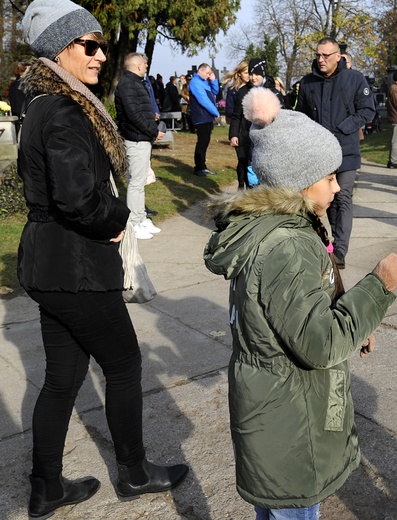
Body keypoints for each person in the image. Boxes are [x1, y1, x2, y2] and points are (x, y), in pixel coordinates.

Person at [204, 87, 397, 520]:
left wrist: (353, 321)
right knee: (293, 511)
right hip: (289, 422)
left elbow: (304, 312)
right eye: (330, 176)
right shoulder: (287, 246)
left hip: (276, 409)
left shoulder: (280, 226)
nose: (338, 186)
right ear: (300, 181)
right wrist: (378, 288)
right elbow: (319, 343)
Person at [18, 1, 189, 517]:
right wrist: (118, 218)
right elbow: (77, 199)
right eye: (88, 46)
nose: (99, 56)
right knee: (123, 363)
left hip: (51, 266)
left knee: (62, 378)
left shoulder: (47, 106)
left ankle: (46, 488)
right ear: (59, 49)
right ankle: (134, 472)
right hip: (75, 267)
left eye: (101, 46)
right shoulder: (65, 110)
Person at [297, 37, 376, 269]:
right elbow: (301, 115)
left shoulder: (355, 79)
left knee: (343, 197)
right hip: (319, 153)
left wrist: (342, 128)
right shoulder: (308, 82)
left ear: (338, 56)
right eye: (318, 55)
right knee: (325, 200)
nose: (320, 59)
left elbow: (367, 110)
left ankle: (340, 250)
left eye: (326, 55)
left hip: (346, 150)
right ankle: (329, 244)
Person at [115, 52, 165, 240]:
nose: (146, 67)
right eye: (145, 64)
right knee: (136, 183)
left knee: (140, 182)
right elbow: (134, 115)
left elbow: (141, 111)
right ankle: (134, 223)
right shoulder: (128, 84)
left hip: (142, 138)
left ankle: (141, 218)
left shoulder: (136, 83)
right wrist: (153, 131)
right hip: (136, 139)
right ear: (137, 66)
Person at [229, 58, 284, 190]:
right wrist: (233, 134)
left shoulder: (273, 92)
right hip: (247, 136)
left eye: (256, 74)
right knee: (248, 167)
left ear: (263, 74)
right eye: (250, 74)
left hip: (268, 138)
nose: (252, 78)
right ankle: (247, 192)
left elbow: (282, 115)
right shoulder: (243, 91)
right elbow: (236, 116)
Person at [189, 63, 220, 176]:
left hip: (206, 116)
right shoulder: (195, 82)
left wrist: (213, 80)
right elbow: (203, 100)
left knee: (205, 142)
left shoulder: (204, 81)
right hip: (201, 116)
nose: (208, 75)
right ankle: (198, 167)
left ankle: (203, 165)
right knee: (201, 142)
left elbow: (215, 92)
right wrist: (216, 112)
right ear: (200, 71)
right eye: (207, 73)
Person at [8, 61, 30, 133]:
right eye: (28, 70)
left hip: (17, 119)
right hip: (24, 120)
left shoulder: (13, 85)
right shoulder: (23, 85)